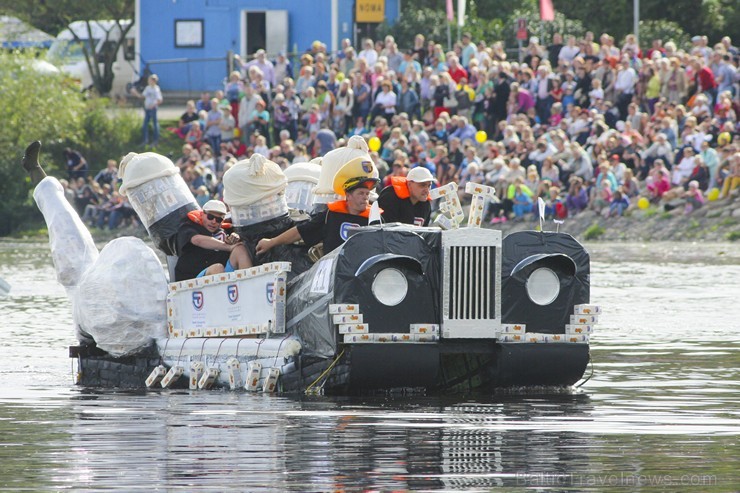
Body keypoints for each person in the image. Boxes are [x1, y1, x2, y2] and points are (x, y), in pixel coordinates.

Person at [255, 157, 380, 257]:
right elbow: (301, 231)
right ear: (348, 195)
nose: (365, 197)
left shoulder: (375, 219)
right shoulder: (330, 216)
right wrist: (271, 242)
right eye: (361, 193)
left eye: (367, 194)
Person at [174, 200, 252, 281]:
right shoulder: (189, 227)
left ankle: (249, 286)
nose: (214, 222)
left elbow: (241, 241)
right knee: (217, 268)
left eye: (218, 220)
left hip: (223, 275)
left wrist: (235, 239)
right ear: (202, 214)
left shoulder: (225, 231)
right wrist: (228, 247)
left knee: (240, 248)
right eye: (210, 217)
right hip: (193, 279)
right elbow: (197, 240)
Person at [140, 74, 163, 146]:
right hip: (147, 108)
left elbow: (159, 100)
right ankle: (145, 141)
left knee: (155, 124)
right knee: (145, 125)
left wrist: (153, 105)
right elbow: (142, 96)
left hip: (153, 109)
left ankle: (155, 141)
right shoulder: (147, 88)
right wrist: (134, 92)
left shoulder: (156, 89)